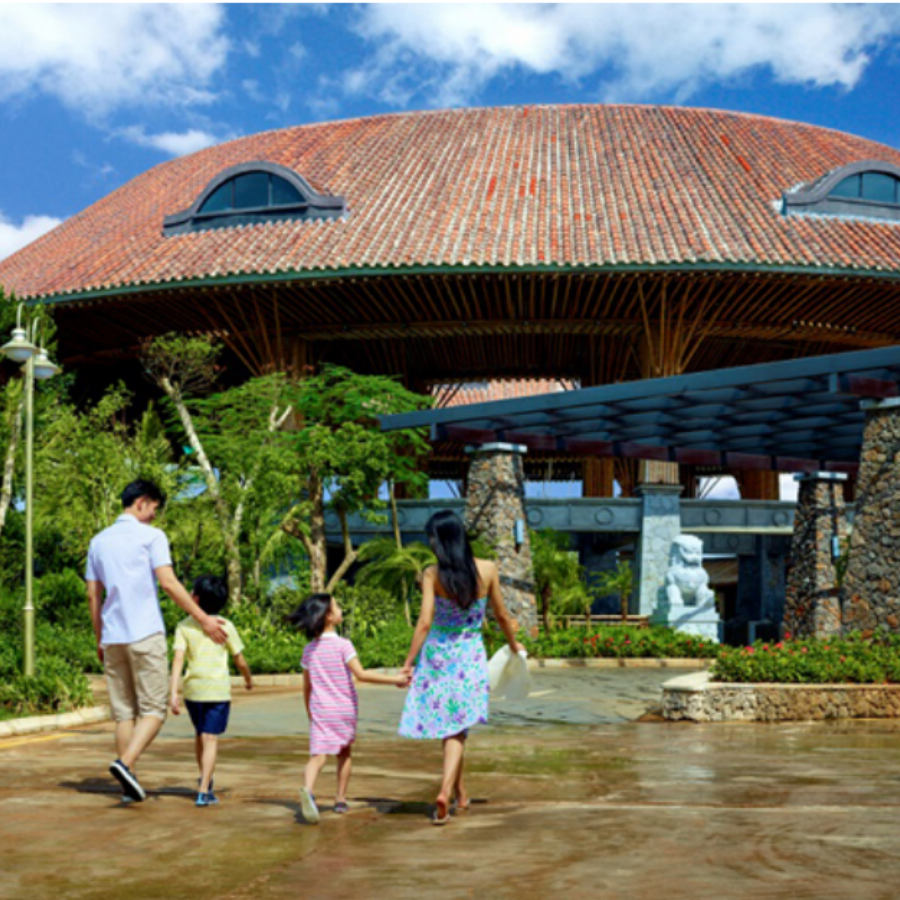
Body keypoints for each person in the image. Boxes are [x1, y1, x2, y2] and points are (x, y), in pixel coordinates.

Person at [85, 479, 228, 803]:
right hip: (144, 632)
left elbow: (93, 594)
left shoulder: (99, 541)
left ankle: (127, 785)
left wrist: (99, 637)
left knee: (123, 713)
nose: (153, 516)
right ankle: (125, 764)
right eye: (153, 509)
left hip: (112, 637)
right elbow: (168, 583)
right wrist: (203, 618)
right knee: (154, 710)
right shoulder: (152, 537)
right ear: (142, 502)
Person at [399, 510, 524, 825]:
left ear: (440, 540)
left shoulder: (432, 574)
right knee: (457, 727)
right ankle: (447, 791)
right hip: (469, 654)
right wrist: (513, 645)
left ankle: (460, 794)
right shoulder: (488, 569)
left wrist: (408, 661)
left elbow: (425, 621)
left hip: (439, 654)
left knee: (453, 727)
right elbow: (501, 615)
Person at [287, 593, 410, 824]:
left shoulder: (309, 650)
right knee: (344, 753)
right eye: (337, 605)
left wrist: (310, 713)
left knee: (318, 756)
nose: (340, 608)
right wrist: (395, 679)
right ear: (329, 616)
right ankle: (340, 799)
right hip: (344, 709)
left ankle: (308, 789)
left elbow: (307, 687)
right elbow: (361, 674)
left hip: (321, 710)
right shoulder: (344, 645)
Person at [169, 574, 254, 807]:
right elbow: (240, 659)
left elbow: (178, 659)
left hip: (193, 691)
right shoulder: (226, 626)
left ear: (194, 599)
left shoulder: (184, 626)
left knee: (200, 735)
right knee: (211, 738)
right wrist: (248, 679)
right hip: (217, 690)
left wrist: (173, 691)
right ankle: (204, 789)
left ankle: (204, 778)